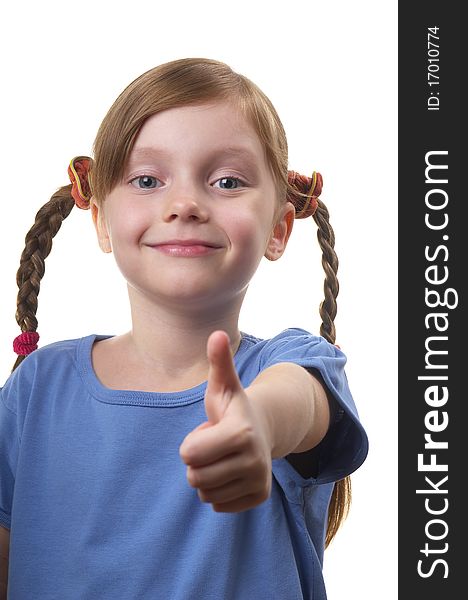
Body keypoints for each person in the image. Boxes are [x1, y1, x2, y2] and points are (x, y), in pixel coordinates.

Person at [0, 57, 368, 599]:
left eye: (227, 181)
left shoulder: (289, 366)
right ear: (101, 219)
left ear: (278, 228)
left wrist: (259, 424)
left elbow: (299, 404)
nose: (185, 204)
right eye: (147, 179)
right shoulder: (37, 387)